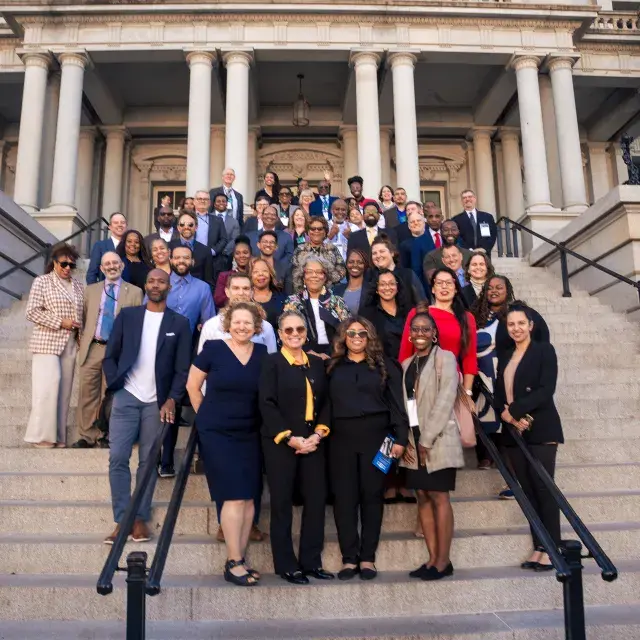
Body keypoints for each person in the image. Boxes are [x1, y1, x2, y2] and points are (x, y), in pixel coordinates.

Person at [102, 269, 191, 544]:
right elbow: (110, 356)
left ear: (169, 287)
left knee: (147, 461)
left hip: (157, 401)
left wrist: (172, 399)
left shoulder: (180, 322)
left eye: (161, 281)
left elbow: (182, 368)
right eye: (151, 280)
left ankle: (138, 518)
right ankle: (121, 520)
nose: (155, 285)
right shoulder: (128, 317)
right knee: (117, 457)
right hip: (127, 396)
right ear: (145, 284)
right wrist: (116, 383)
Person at [186, 302, 268, 585]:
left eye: (248, 323)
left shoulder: (262, 354)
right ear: (228, 323)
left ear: (257, 327)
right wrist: (206, 417)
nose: (242, 326)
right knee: (233, 495)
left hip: (250, 432)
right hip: (218, 433)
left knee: (248, 498)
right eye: (237, 322)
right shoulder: (214, 349)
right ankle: (232, 562)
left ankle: (241, 558)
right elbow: (192, 386)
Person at [326, 317, 408, 580]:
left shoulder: (386, 367)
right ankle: (349, 558)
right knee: (344, 498)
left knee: (372, 496)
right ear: (344, 337)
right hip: (340, 438)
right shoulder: (332, 367)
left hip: (378, 437)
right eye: (351, 333)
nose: (357, 337)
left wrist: (401, 438)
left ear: (370, 336)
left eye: (363, 333)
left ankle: (368, 558)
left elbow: (397, 405)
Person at [259, 310, 333, 584]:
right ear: (279, 335)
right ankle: (286, 564)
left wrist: (318, 434)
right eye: (288, 330)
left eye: (299, 329)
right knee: (282, 503)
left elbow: (326, 402)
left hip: (314, 442)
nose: (294, 334)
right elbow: (266, 403)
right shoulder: (271, 363)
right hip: (281, 443)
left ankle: (311, 561)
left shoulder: (316, 363)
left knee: (315, 501)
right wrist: (289, 437)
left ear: (306, 332)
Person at [494, 303, 563, 571]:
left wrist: (516, 410)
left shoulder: (545, 351)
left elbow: (547, 389)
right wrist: (507, 415)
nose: (516, 328)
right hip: (513, 432)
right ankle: (538, 547)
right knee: (528, 494)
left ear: (531, 325)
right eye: (511, 324)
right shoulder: (507, 355)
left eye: (521, 323)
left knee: (545, 490)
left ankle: (552, 549)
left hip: (541, 429)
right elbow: (499, 393)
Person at [400, 311, 463, 581]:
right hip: (412, 442)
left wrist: (426, 440)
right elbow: (405, 405)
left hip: (437, 439)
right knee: (422, 497)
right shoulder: (405, 364)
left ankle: (443, 561)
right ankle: (431, 559)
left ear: (434, 333)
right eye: (416, 329)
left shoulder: (445, 359)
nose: (420, 334)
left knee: (439, 497)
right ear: (410, 334)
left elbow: (446, 399)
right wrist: (408, 439)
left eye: (426, 329)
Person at [472, 276, 550, 478]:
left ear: (508, 290)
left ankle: (513, 478)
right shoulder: (476, 315)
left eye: (499, 287)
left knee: (510, 425)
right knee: (488, 419)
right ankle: (488, 456)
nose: (494, 291)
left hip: (511, 377)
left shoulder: (517, 314)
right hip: (484, 376)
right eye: (490, 288)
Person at [73, 252, 143, 449]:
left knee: (110, 394)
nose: (111, 266)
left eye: (115, 263)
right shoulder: (91, 291)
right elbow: (84, 318)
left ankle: (106, 434)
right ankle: (86, 435)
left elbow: (137, 324)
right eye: (107, 264)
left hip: (117, 351)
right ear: (102, 269)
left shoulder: (135, 292)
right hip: (93, 347)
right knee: (87, 393)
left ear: (121, 265)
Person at [24, 243, 84, 448]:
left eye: (72, 265)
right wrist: (60, 322)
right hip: (46, 341)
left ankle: (58, 436)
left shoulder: (77, 285)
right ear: (54, 263)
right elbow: (31, 311)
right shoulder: (42, 282)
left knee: (65, 391)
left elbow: (81, 313)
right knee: (48, 386)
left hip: (70, 343)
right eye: (64, 264)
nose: (68, 268)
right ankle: (41, 436)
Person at [399, 268, 478, 393]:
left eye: (448, 283)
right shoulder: (417, 314)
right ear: (432, 289)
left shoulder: (467, 318)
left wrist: (468, 392)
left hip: (452, 383)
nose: (444, 286)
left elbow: (470, 357)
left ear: (456, 288)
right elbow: (405, 353)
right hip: (419, 381)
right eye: (439, 283)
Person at [283, 255, 350, 357]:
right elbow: (288, 333)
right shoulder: (293, 302)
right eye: (309, 272)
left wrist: (330, 354)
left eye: (319, 272)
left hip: (335, 356)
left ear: (326, 277)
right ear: (303, 277)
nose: (314, 275)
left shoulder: (337, 302)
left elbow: (348, 332)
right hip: (302, 355)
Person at [199, 273, 277, 354]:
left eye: (245, 288)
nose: (241, 293)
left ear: (252, 292)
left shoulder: (265, 327)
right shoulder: (211, 325)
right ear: (227, 292)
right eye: (236, 288)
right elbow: (202, 363)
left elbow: (271, 361)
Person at [360, 269, 411, 359]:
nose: (387, 287)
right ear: (376, 289)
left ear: (397, 286)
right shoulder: (367, 314)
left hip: (410, 363)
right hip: (382, 366)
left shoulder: (410, 310)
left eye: (391, 283)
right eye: (382, 284)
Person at [368, 235, 426, 308]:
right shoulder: (370, 278)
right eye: (374, 253)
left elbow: (422, 302)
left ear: (392, 253)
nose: (378, 256)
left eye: (382, 251)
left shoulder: (408, 274)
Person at [291, 216, 346, 291]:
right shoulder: (300, 249)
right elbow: (294, 273)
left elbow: (342, 270)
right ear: (308, 232)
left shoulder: (332, 248)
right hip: (304, 292)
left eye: (320, 229)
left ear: (325, 232)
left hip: (330, 291)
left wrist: (323, 278)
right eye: (313, 229)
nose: (316, 231)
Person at [169, 211, 214, 288]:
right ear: (178, 228)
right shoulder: (169, 247)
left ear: (196, 227)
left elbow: (209, 281)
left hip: (197, 294)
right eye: (182, 224)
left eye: (190, 224)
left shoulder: (205, 251)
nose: (186, 227)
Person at [247, 206, 295, 279]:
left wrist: (277, 266)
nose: (269, 216)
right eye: (266, 214)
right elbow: (247, 254)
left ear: (277, 218)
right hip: (255, 276)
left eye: (273, 214)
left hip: (278, 276)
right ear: (262, 216)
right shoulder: (250, 237)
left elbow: (290, 255)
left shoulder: (286, 236)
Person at [400, 208, 435, 296]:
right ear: (408, 226)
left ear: (424, 223)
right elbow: (404, 267)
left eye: (418, 220)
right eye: (412, 222)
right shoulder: (404, 244)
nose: (416, 223)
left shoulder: (433, 239)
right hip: (415, 285)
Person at [193, 190, 228, 276]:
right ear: (194, 201)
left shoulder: (217, 220)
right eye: (199, 198)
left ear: (209, 203)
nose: (202, 201)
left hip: (212, 260)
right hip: (192, 258)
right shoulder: (187, 218)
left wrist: (213, 251)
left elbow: (224, 239)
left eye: (205, 199)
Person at [86, 212, 128, 284]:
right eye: (116, 222)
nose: (120, 225)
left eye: (122, 222)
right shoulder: (100, 246)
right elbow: (92, 274)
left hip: (127, 292)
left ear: (126, 226)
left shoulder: (131, 247)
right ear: (110, 227)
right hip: (106, 291)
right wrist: (95, 292)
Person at [452, 189, 497, 253]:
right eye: (464, 198)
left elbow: (493, 235)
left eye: (470, 197)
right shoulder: (456, 219)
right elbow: (457, 237)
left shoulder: (487, 217)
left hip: (484, 254)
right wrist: (468, 250)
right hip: (466, 254)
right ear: (461, 201)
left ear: (475, 199)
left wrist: (484, 248)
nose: (467, 199)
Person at [214, 235, 253, 309]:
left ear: (251, 255)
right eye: (237, 253)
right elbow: (218, 300)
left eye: (245, 252)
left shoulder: (255, 275)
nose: (241, 256)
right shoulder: (224, 276)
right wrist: (239, 299)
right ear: (234, 256)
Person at [251, 258, 286, 330]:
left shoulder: (282, 298)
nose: (260, 274)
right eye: (255, 272)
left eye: (264, 271)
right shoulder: (245, 299)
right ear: (250, 275)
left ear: (270, 274)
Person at [333, 248, 369, 315]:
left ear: (365, 265)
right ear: (346, 264)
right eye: (351, 262)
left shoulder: (371, 290)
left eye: (360, 262)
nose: (355, 265)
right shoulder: (337, 289)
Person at [211, 192, 241, 270]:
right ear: (214, 204)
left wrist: (222, 251)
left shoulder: (234, 221)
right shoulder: (208, 218)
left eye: (223, 201)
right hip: (209, 255)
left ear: (227, 204)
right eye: (218, 201)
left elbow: (235, 239)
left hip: (226, 257)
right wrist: (212, 251)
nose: (221, 203)